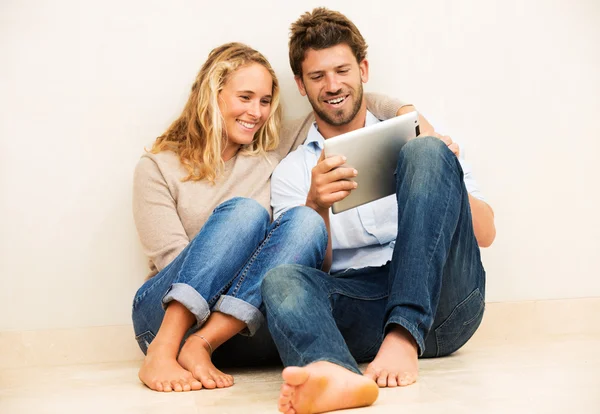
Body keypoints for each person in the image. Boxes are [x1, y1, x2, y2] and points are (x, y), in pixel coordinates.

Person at [131, 42, 404, 393]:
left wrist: (407, 111)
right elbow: (172, 261)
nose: (256, 112)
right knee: (245, 212)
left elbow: (341, 102)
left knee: (307, 219)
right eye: (245, 97)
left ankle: (201, 345)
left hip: (231, 323)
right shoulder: (158, 168)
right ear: (211, 96)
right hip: (162, 314)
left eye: (264, 101)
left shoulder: (268, 152)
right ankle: (164, 351)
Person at [261, 8, 496, 414]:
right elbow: (315, 273)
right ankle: (334, 375)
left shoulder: (422, 134)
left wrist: (447, 177)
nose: (333, 86)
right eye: (317, 77)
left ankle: (405, 333)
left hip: (447, 304)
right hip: (365, 311)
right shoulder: (293, 172)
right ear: (300, 85)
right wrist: (317, 207)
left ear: (363, 69)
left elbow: (486, 234)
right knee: (280, 278)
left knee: (424, 151)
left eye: (342, 70)